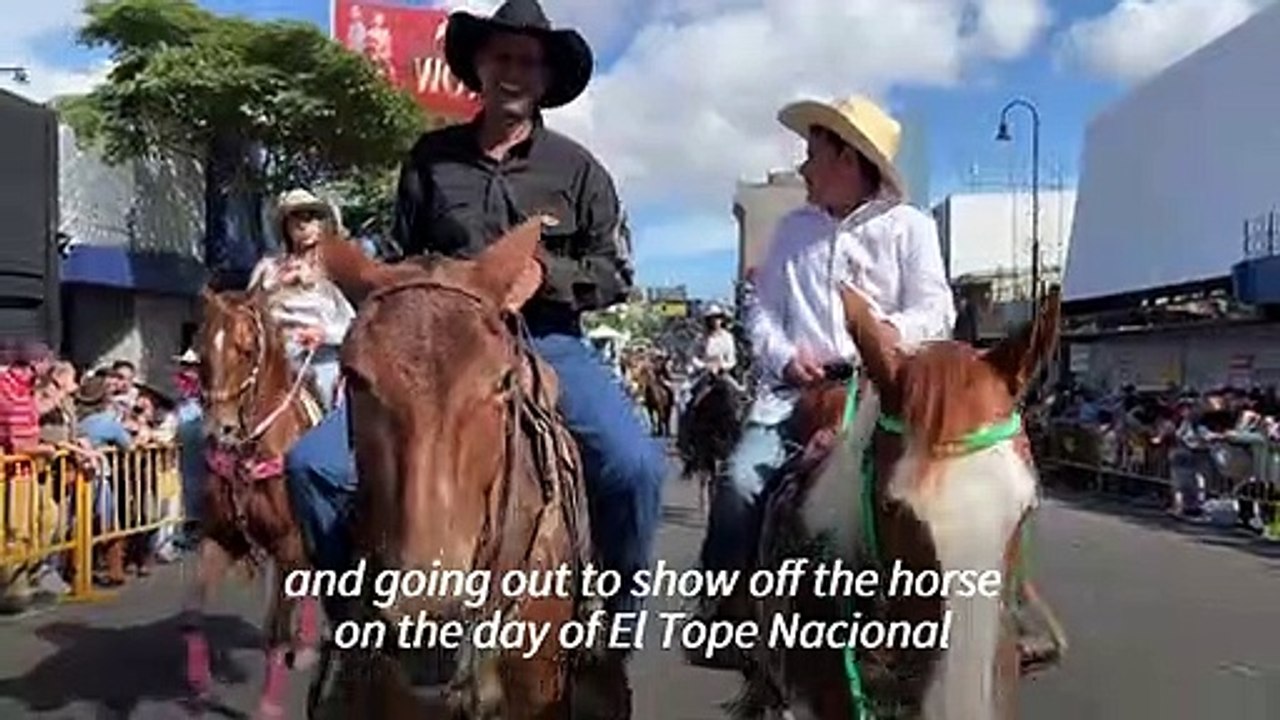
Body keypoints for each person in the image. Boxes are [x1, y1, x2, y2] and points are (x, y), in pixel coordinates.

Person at [391, 0, 664, 688]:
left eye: (527, 62)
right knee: (316, 469)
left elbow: (615, 272)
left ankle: (613, 629)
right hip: (441, 353)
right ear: (478, 67)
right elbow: (399, 257)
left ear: (544, 79)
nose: (512, 72)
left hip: (549, 342)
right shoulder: (430, 160)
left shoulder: (580, 169)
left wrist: (547, 274)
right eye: (501, 58)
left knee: (637, 469)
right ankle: (356, 637)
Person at [697, 95, 956, 622]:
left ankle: (991, 609)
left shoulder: (910, 227)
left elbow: (937, 310)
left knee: (962, 491)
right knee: (740, 481)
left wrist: (888, 334)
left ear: (848, 158)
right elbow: (764, 313)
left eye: (812, 153)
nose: (802, 166)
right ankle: (726, 610)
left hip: (883, 396)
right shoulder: (793, 230)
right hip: (797, 395)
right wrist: (787, 356)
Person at [249, 189, 356, 412]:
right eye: (296, 218)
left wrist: (322, 334)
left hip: (319, 358)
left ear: (321, 224)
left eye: (311, 216)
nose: (303, 224)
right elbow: (249, 313)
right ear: (285, 227)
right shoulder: (267, 268)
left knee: (328, 387)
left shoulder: (336, 270)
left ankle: (335, 443)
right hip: (271, 359)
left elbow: (353, 322)